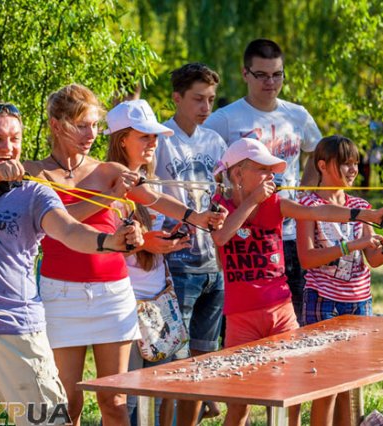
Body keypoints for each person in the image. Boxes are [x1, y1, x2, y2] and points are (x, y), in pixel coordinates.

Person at [0, 100, 143, 426]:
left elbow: (69, 230)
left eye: (15, 139)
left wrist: (109, 242)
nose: (8, 148)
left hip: (16, 331)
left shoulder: (34, 193)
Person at [21, 87, 224, 426]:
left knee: (114, 401)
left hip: (111, 294)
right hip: (60, 294)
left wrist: (197, 218)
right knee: (66, 402)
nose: (91, 135)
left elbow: (154, 198)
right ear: (55, 125)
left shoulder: (108, 170)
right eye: (81, 126)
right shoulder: (36, 174)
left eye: (95, 126)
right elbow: (63, 227)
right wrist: (107, 193)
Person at [210, 138, 383, 426]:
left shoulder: (277, 203)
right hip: (240, 316)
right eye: (263, 170)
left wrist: (365, 214)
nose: (271, 177)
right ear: (237, 174)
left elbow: (318, 211)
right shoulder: (218, 206)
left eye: (273, 171)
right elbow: (221, 237)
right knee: (239, 406)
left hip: (281, 312)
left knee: (290, 397)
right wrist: (252, 201)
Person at [296, 135, 383, 426]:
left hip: (359, 302)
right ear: (323, 165)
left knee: (350, 385)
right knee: (325, 386)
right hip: (323, 303)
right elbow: (307, 258)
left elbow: (374, 258)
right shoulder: (307, 204)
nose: (353, 170)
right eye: (345, 163)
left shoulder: (361, 205)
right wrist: (349, 246)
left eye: (355, 163)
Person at [204, 38, 322, 326]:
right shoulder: (226, 118)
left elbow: (320, 155)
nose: (270, 82)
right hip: (247, 241)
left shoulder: (297, 115)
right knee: (246, 325)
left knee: (293, 322)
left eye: (277, 74)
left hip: (291, 235)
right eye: (261, 75)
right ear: (245, 74)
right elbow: (209, 166)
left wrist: (305, 196)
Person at [106, 104, 192, 426]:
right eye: (145, 136)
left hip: (157, 300)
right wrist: (146, 243)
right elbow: (99, 245)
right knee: (124, 403)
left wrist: (166, 242)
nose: (153, 142)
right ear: (121, 139)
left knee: (156, 395)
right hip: (124, 304)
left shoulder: (150, 182)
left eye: (155, 136)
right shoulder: (105, 181)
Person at [154, 63, 227, 424]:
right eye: (198, 99)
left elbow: (224, 192)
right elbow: (147, 196)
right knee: (171, 360)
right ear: (177, 98)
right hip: (178, 261)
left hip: (213, 261)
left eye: (211, 99)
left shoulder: (214, 141)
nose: (205, 107)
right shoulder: (161, 139)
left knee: (204, 358)